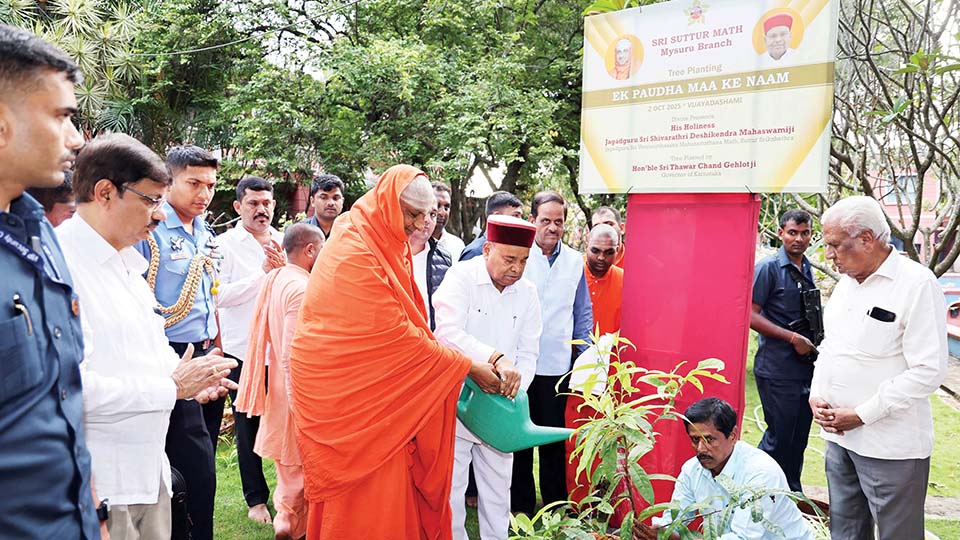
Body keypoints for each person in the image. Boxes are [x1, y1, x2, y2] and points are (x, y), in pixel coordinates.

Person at [289, 165, 520, 539]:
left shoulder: (384, 238)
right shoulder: (355, 246)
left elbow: (406, 326)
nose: (418, 224)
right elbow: (395, 334)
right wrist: (468, 367)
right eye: (411, 213)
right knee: (363, 500)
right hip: (349, 398)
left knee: (394, 488)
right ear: (386, 200)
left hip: (383, 394)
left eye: (426, 214)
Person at [59, 132, 237, 540]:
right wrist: (170, 388)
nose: (159, 216)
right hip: (101, 486)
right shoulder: (62, 268)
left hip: (147, 474)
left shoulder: (127, 264)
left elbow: (148, 354)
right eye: (151, 200)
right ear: (105, 192)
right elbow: (68, 388)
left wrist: (191, 381)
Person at [0, 24, 98, 539]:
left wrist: (94, 513)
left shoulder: (38, 231)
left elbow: (62, 396)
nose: (76, 138)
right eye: (61, 116)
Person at [810, 196, 948, 540]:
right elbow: (831, 347)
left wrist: (862, 414)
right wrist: (816, 395)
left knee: (896, 534)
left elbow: (928, 371)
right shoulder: (845, 285)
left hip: (889, 447)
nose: (830, 255)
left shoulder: (916, 283)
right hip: (839, 440)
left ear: (867, 239)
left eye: (835, 245)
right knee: (846, 531)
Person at [434, 215, 542, 540]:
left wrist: (514, 388)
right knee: (451, 490)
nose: (517, 268)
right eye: (509, 259)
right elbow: (447, 333)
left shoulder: (528, 292)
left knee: (498, 492)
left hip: (501, 408)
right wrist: (495, 358)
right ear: (487, 249)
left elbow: (529, 353)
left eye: (523, 260)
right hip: (457, 400)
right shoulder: (461, 278)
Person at [135, 144, 221, 540]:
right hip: (169, 356)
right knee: (192, 460)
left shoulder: (204, 230)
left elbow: (209, 293)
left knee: (201, 457)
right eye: (195, 183)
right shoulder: (149, 228)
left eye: (211, 185)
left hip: (204, 352)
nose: (204, 194)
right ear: (170, 183)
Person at [235, 223, 325, 540]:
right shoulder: (301, 288)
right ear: (310, 250)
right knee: (301, 467)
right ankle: (291, 523)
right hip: (295, 389)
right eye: (322, 250)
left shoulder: (277, 278)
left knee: (288, 467)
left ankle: (286, 518)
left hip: (279, 388)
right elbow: (291, 353)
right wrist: (304, 402)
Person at [512, 190, 593, 514]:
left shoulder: (575, 261)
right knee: (518, 438)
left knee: (551, 439)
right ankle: (520, 504)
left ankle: (556, 502)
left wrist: (582, 357)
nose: (553, 228)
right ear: (533, 221)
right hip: (518, 363)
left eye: (558, 222)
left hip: (557, 366)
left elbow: (582, 312)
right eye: (546, 221)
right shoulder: (519, 256)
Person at [637, 398, 814, 540]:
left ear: (733, 435)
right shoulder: (692, 470)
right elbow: (674, 521)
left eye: (709, 440)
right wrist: (659, 533)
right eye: (695, 440)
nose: (701, 449)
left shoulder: (760, 474)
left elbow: (743, 537)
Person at [215, 176, 284, 524]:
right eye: (254, 203)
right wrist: (262, 274)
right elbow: (218, 296)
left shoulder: (284, 242)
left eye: (267, 203)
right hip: (244, 351)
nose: (262, 210)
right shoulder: (224, 245)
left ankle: (290, 496)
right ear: (238, 206)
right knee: (248, 426)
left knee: (289, 421)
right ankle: (256, 500)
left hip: (283, 349)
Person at [749, 209, 818, 493]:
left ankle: (793, 494)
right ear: (780, 233)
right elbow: (749, 316)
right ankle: (754, 492)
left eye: (804, 233)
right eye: (792, 232)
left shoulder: (808, 267)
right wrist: (792, 338)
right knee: (778, 438)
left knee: (798, 439)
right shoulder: (768, 268)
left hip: (806, 369)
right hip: (777, 369)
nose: (798, 239)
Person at [565, 223, 624, 504]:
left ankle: (604, 503)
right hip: (573, 375)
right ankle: (576, 502)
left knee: (607, 444)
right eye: (595, 251)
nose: (601, 258)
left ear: (619, 251)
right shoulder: (570, 274)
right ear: (585, 246)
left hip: (611, 378)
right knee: (574, 441)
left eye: (608, 252)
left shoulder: (625, 281)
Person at [410, 200, 453, 329]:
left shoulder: (443, 259)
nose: (428, 220)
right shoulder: (387, 253)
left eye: (432, 214)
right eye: (423, 212)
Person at [460, 191, 523, 262]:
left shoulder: (515, 250)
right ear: (497, 216)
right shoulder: (475, 252)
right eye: (515, 215)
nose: (520, 221)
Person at [302, 174, 345, 238]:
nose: (331, 203)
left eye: (335, 198)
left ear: (342, 201)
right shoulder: (300, 231)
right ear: (312, 201)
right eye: (324, 197)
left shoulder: (351, 231)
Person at [432, 181, 465, 261]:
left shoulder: (457, 245)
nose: (442, 212)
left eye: (446, 207)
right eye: (437, 205)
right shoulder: (414, 243)